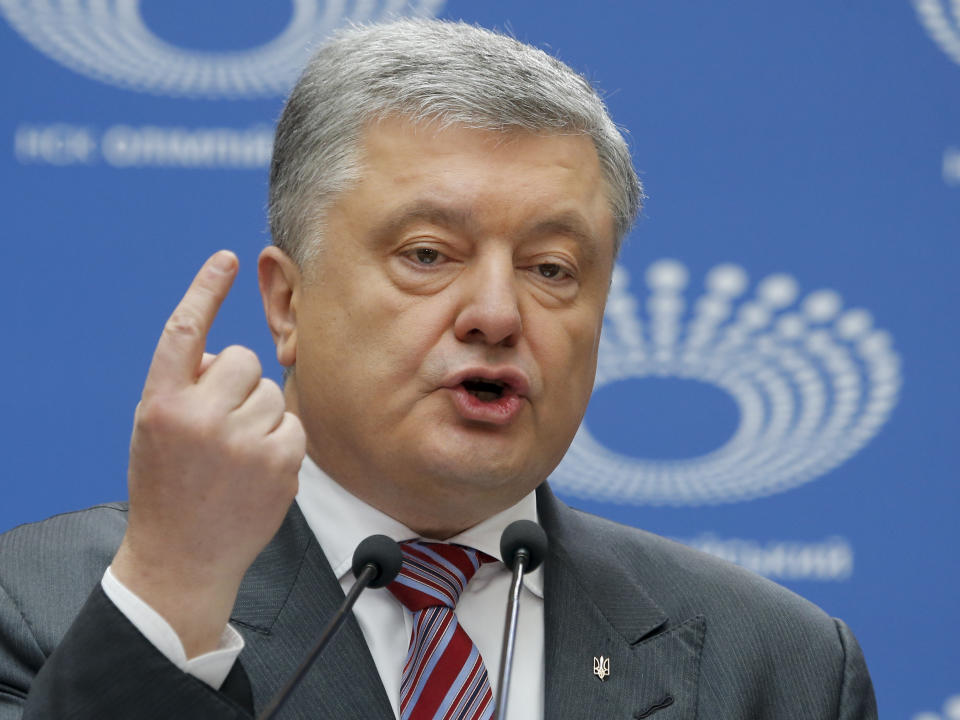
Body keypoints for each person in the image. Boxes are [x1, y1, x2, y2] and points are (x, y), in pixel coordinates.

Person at [0, 19, 877, 720]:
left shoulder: (777, 668)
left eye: (552, 270)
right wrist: (175, 601)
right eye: (428, 254)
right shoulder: (44, 607)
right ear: (287, 303)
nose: (498, 314)